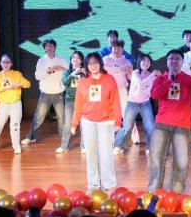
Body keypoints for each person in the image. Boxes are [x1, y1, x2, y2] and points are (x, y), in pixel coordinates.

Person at [148, 49, 191, 193]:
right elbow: (155, 95)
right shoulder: (161, 79)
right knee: (156, 159)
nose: (173, 61)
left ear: (182, 62)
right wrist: (169, 81)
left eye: (177, 58)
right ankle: (153, 192)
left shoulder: (189, 80)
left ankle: (176, 193)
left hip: (182, 126)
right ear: (167, 62)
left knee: (181, 162)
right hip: (162, 124)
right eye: (170, 58)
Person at [71, 52, 122, 195]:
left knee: (106, 154)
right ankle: (93, 184)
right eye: (90, 63)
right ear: (86, 66)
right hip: (87, 122)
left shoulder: (109, 79)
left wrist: (118, 120)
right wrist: (74, 123)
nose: (93, 66)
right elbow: (78, 103)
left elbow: (116, 101)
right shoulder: (83, 81)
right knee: (91, 154)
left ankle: (109, 185)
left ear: (100, 63)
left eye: (95, 62)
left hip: (106, 122)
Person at [0, 54, 31, 154]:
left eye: (7, 62)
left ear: (11, 64)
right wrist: (4, 88)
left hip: (15, 104)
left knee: (15, 126)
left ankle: (16, 146)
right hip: (4, 105)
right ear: (1, 64)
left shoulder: (17, 74)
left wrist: (17, 85)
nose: (5, 64)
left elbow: (28, 84)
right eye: (3, 62)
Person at [22, 39, 68, 145]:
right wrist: (47, 71)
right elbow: (37, 76)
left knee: (62, 118)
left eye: (51, 46)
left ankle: (64, 140)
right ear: (45, 48)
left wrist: (60, 67)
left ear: (54, 47)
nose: (49, 48)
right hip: (45, 93)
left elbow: (68, 70)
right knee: (38, 117)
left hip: (58, 93)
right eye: (47, 46)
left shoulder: (60, 59)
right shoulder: (41, 60)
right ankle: (30, 137)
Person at [114, 53, 159, 155]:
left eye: (148, 61)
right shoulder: (135, 73)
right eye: (144, 60)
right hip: (132, 103)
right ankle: (118, 146)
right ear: (139, 62)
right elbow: (140, 84)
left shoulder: (152, 76)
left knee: (150, 126)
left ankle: (150, 147)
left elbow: (154, 88)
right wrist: (152, 75)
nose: (146, 63)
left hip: (145, 103)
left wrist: (159, 76)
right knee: (127, 127)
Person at [57, 51, 85, 153]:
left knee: (83, 124)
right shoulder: (67, 71)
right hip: (70, 100)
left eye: (78, 58)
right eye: (73, 57)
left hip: (83, 101)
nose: (75, 59)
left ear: (81, 60)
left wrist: (85, 73)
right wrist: (73, 73)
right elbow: (65, 82)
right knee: (67, 124)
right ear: (71, 59)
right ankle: (64, 146)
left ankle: (84, 146)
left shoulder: (84, 71)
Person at [102, 39, 133, 121]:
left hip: (122, 90)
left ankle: (126, 128)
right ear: (111, 48)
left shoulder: (126, 61)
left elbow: (130, 78)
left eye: (119, 48)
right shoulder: (106, 59)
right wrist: (120, 69)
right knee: (108, 112)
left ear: (122, 49)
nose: (116, 50)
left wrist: (130, 73)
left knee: (125, 112)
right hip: (108, 90)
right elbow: (106, 69)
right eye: (114, 48)